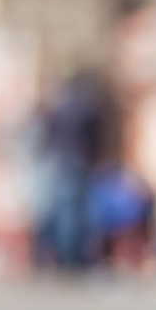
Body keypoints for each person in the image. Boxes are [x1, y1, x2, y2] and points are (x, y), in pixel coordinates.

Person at [34, 69, 108, 272]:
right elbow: (97, 136)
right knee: (74, 213)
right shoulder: (88, 107)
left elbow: (47, 131)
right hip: (79, 161)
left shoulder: (58, 106)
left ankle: (58, 256)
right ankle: (71, 258)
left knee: (58, 211)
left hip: (58, 161)